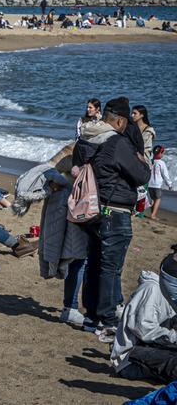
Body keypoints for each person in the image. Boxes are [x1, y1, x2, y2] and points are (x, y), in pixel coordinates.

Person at [73, 97, 152, 341]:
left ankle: (91, 316)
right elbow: (141, 175)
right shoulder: (116, 142)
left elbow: (77, 163)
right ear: (119, 121)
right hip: (114, 209)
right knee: (111, 266)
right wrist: (141, 161)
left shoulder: (86, 137)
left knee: (95, 261)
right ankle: (106, 320)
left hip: (93, 208)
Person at [110, 253, 177, 383]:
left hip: (152, 349)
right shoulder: (151, 290)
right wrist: (173, 337)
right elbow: (143, 328)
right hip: (130, 362)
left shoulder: (169, 294)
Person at [148, 147, 172, 220]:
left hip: (149, 184)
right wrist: (169, 184)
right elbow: (165, 175)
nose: (163, 154)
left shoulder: (150, 161)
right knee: (157, 199)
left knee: (153, 199)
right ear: (160, 154)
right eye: (162, 153)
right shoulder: (161, 163)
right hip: (157, 185)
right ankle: (153, 215)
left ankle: (152, 214)